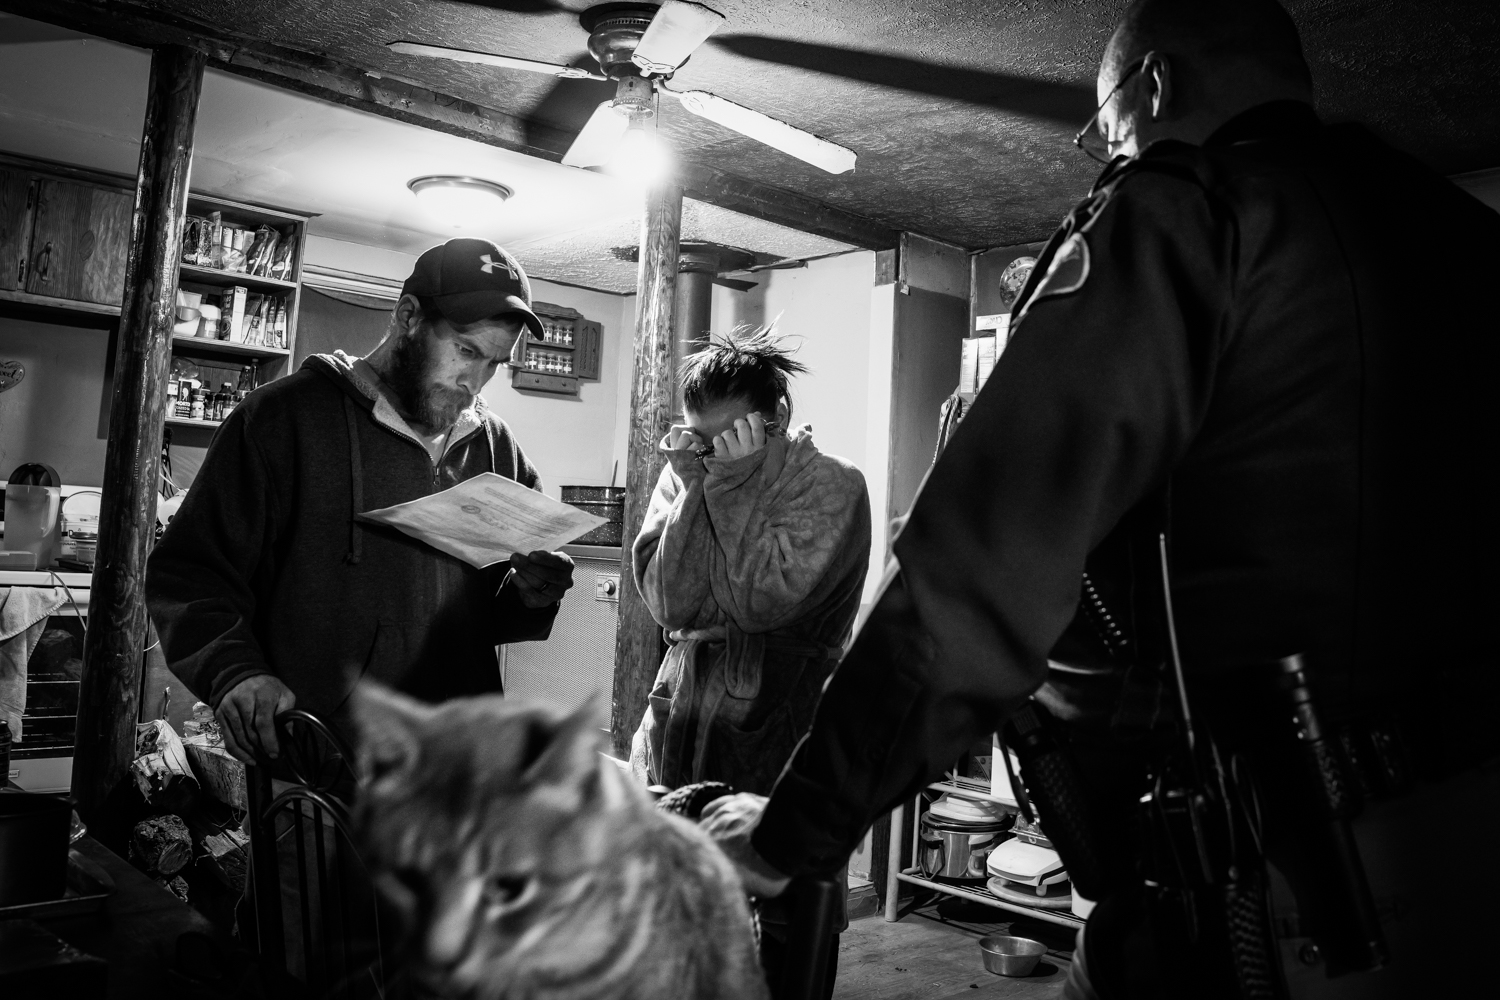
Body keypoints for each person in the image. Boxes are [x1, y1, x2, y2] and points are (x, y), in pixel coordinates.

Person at [702, 1, 1499, 998]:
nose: (1105, 155)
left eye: (1104, 126)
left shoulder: (1184, 210)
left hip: (1276, 887)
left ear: (1152, 87)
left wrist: (794, 831)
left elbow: (978, 577)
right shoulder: (1467, 235)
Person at [148, 238, 577, 764]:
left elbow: (484, 613)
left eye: (494, 363)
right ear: (407, 316)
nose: (475, 382)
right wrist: (235, 670)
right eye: (466, 351)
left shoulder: (495, 446)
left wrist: (529, 595)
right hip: (319, 767)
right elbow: (191, 575)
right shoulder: (282, 421)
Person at [629, 329, 870, 995]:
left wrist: (729, 487)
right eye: (700, 438)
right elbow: (672, 604)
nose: (712, 452)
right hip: (680, 712)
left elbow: (760, 602)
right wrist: (696, 480)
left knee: (781, 921)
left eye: (730, 436)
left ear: (779, 416)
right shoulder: (691, 471)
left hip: (781, 724)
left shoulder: (833, 485)